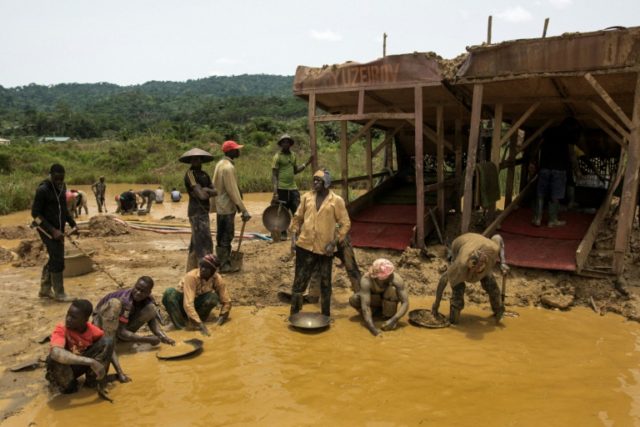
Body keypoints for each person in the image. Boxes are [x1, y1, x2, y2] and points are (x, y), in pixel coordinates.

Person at [289, 169, 350, 317]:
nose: (315, 183)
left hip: (325, 249)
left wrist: (334, 242)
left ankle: (325, 316)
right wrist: (293, 240)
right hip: (304, 246)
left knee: (325, 283)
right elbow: (297, 218)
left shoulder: (336, 201)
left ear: (326, 183)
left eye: (318, 180)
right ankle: (294, 314)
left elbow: (345, 223)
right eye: (314, 180)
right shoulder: (306, 198)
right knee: (299, 281)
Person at [93, 276, 174, 383]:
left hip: (120, 321)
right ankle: (109, 341)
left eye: (143, 291)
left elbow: (152, 319)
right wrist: (148, 340)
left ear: (148, 292)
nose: (138, 292)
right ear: (134, 286)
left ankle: (120, 339)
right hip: (102, 322)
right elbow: (121, 332)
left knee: (151, 308)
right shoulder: (125, 301)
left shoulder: (148, 299)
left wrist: (163, 337)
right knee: (110, 341)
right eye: (137, 288)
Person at [432, 233, 509, 325]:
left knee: (492, 285)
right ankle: (453, 321)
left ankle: (499, 311)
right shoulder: (461, 264)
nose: (474, 272)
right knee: (458, 291)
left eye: (478, 269)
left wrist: (503, 262)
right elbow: (444, 279)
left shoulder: (492, 250)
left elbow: (498, 237)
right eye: (472, 270)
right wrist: (436, 305)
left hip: (479, 242)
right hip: (459, 245)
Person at [46, 299, 114, 395]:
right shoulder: (62, 328)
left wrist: (120, 372)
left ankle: (94, 381)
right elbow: (56, 353)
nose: (68, 319)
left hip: (77, 366)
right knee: (53, 360)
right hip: (62, 369)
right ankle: (66, 386)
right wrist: (92, 362)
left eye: (73, 317)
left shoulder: (93, 331)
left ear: (85, 320)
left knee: (108, 341)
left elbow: (109, 349)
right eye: (68, 314)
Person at [31, 163, 78, 301]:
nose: (59, 181)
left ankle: (45, 289)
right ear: (50, 175)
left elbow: (63, 209)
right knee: (58, 259)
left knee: (54, 256)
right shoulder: (43, 190)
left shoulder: (62, 187)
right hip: (45, 228)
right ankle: (59, 293)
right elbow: (35, 214)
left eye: (61, 179)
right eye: (56, 178)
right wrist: (52, 230)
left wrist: (73, 223)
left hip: (59, 229)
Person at [162, 254, 231, 337]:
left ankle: (195, 321)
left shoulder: (217, 278)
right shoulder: (191, 276)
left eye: (206, 268)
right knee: (169, 293)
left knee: (213, 298)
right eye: (202, 266)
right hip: (182, 304)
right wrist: (201, 326)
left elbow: (226, 301)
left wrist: (219, 322)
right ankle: (180, 326)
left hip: (197, 304)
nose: (202, 269)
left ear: (212, 271)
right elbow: (188, 304)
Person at [532, 117, 581, 227]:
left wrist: (533, 161)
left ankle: (537, 219)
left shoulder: (548, 131)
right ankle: (552, 220)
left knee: (540, 194)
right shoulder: (569, 136)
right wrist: (577, 170)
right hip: (559, 169)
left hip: (544, 168)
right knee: (555, 195)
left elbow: (538, 147)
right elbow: (572, 155)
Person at [213, 140, 251, 272]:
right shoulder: (228, 167)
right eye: (236, 149)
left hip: (220, 206)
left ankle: (221, 262)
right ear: (230, 151)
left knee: (221, 234)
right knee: (226, 235)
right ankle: (224, 265)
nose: (238, 151)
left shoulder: (219, 164)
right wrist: (244, 209)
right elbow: (232, 190)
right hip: (227, 207)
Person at [349, 258, 409, 336]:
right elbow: (366, 307)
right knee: (354, 299)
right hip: (374, 300)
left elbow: (405, 302)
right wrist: (372, 328)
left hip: (387, 300)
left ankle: (387, 316)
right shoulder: (366, 280)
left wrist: (394, 320)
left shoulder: (396, 279)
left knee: (392, 290)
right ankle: (375, 313)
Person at [180, 148, 217, 271]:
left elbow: (215, 191)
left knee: (196, 243)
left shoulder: (205, 174)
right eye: (193, 159)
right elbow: (201, 195)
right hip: (196, 212)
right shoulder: (190, 174)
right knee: (203, 244)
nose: (196, 161)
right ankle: (205, 270)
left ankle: (190, 270)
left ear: (201, 160)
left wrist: (204, 190)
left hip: (204, 211)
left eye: (198, 158)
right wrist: (206, 191)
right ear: (190, 161)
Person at [271, 134, 312, 241]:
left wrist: (306, 163)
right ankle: (283, 232)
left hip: (293, 187)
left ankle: (297, 231)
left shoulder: (293, 155)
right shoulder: (277, 157)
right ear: (281, 144)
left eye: (288, 142)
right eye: (283, 142)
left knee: (297, 210)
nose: (286, 143)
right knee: (282, 211)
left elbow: (295, 171)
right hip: (281, 188)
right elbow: (274, 175)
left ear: (290, 144)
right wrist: (275, 191)